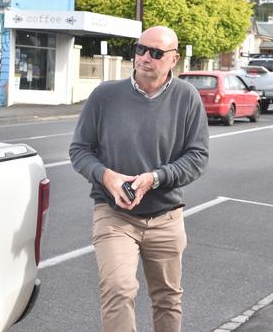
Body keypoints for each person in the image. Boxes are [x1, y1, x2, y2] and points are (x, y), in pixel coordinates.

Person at [69, 26, 209, 332]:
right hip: (114, 215)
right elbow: (80, 150)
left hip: (166, 217)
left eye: (156, 53)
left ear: (174, 59)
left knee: (167, 298)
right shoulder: (105, 96)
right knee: (118, 289)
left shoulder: (187, 97)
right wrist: (106, 177)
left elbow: (197, 157)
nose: (145, 58)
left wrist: (156, 178)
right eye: (140, 49)